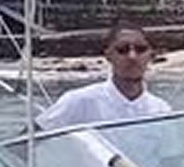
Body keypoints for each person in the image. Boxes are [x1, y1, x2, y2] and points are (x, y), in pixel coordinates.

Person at [38, 25, 171, 130]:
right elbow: (26, 142)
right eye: (122, 49)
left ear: (151, 55)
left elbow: (170, 161)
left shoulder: (161, 110)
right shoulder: (79, 101)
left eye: (140, 49)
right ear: (108, 55)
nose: (132, 56)